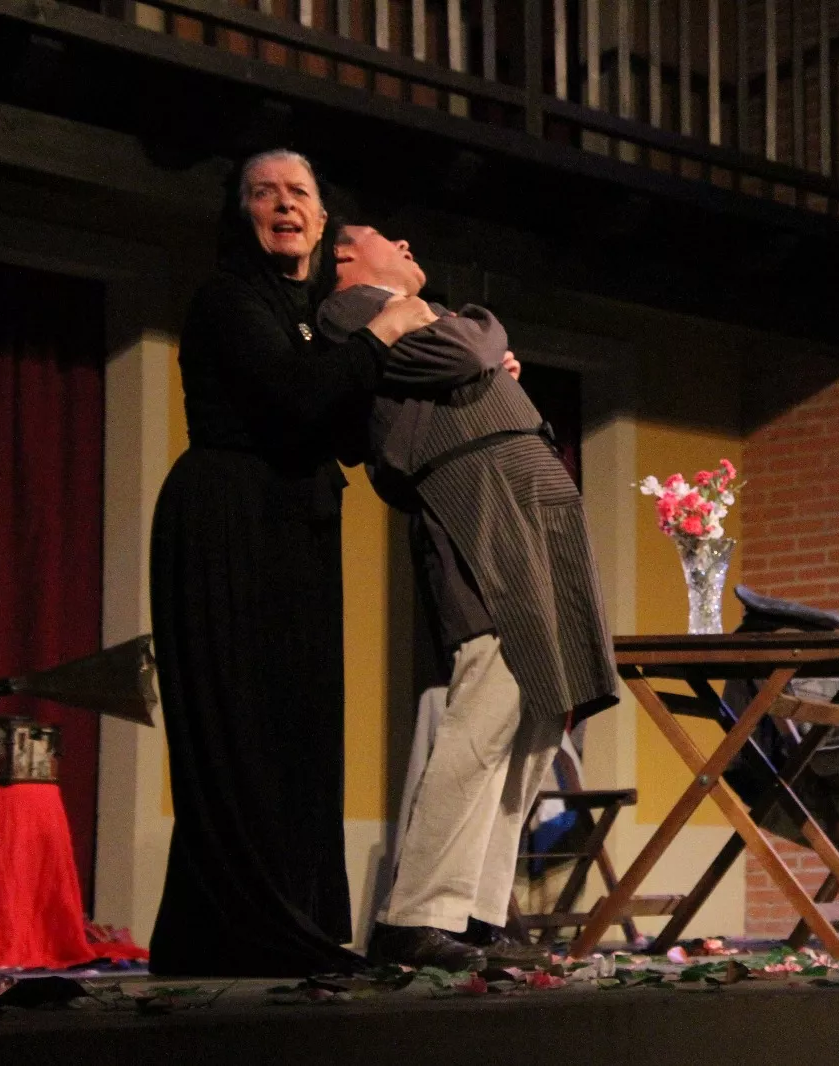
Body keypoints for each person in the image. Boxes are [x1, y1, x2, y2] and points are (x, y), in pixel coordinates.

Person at [149, 151, 437, 976]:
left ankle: (295, 921)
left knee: (301, 728)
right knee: (243, 728)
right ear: (242, 213)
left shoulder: (312, 316)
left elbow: (347, 423)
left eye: (299, 193)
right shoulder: (229, 299)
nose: (284, 204)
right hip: (227, 522)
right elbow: (293, 397)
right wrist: (385, 329)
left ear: (319, 216)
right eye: (264, 193)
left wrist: (470, 369)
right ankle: (240, 930)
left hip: (296, 523)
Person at [317, 225, 619, 971]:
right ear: (348, 262)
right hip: (475, 496)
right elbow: (466, 349)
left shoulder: (423, 314)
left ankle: (480, 912)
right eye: (381, 237)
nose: (406, 240)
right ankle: (415, 913)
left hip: (525, 489)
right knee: (493, 694)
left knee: (541, 707)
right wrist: (479, 331)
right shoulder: (349, 312)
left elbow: (469, 355)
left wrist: (473, 341)